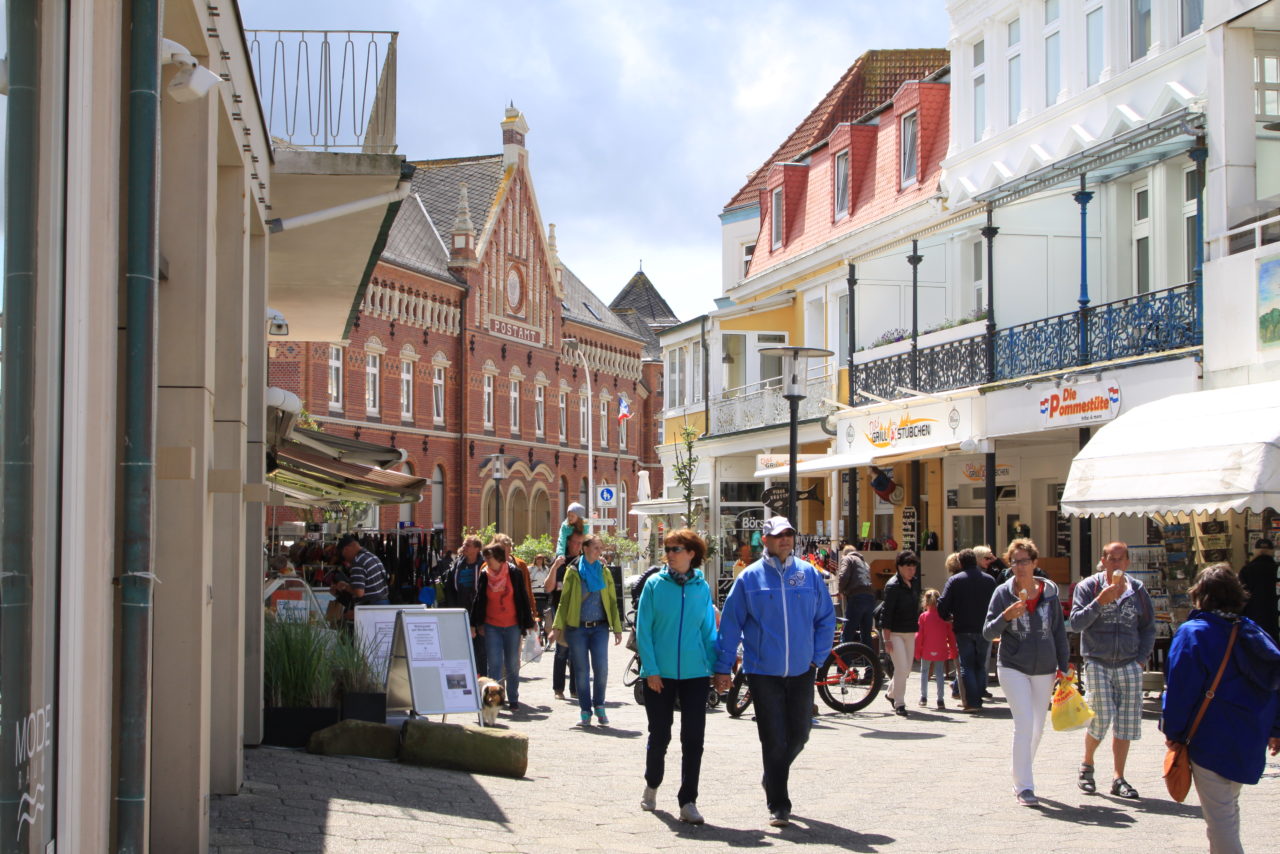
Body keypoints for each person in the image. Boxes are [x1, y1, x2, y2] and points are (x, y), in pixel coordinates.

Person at [713, 516, 836, 828]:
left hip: (802, 669)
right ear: (765, 540)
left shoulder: (809, 575)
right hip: (762, 670)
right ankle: (779, 803)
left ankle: (772, 775)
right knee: (773, 737)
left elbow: (825, 618)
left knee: (800, 734)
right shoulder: (750, 579)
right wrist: (723, 666)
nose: (785, 540)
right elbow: (730, 625)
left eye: (789, 535)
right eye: (779, 535)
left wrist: (817, 657)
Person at [1163, 564, 1280, 853]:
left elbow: (1180, 688)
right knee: (1226, 809)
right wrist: (1275, 728)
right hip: (1250, 735)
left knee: (1221, 820)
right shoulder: (1252, 632)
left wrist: (1174, 732)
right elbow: (1274, 682)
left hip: (1210, 737)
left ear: (1200, 595)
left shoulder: (1194, 633)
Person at [636, 529, 718, 825]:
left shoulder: (701, 588)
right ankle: (652, 784)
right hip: (661, 674)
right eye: (668, 548)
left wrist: (717, 667)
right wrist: (651, 669)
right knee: (660, 734)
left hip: (696, 673)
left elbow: (708, 631)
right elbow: (643, 629)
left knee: (694, 738)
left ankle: (688, 800)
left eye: (676, 548)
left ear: (692, 553)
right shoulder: (654, 585)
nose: (669, 553)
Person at [984, 538, 1071, 806]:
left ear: (1034, 563)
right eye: (1014, 562)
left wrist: (1065, 667)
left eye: (1024, 561)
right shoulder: (1002, 593)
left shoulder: (1049, 594)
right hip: (1012, 666)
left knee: (1037, 728)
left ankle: (1021, 770)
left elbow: (1058, 631)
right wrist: (1006, 617)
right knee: (1024, 724)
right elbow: (988, 632)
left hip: (1044, 667)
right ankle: (1024, 786)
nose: (1019, 567)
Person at [1069, 541, 1156, 799]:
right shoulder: (1088, 587)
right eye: (1111, 558)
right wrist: (1099, 601)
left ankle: (1119, 777)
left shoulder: (1137, 590)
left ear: (1127, 563)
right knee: (1101, 714)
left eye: (1121, 559)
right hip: (1097, 660)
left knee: (1127, 723)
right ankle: (1087, 764)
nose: (1116, 563)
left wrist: (1141, 660)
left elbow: (1148, 627)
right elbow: (1075, 623)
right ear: (1102, 561)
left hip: (1129, 662)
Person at [550, 533, 623, 726]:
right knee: (581, 671)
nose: (600, 552)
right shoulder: (573, 571)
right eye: (597, 548)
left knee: (602, 669)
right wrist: (557, 627)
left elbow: (612, 601)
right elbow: (564, 601)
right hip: (577, 629)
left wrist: (617, 628)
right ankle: (585, 710)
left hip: (599, 627)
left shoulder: (604, 571)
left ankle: (599, 704)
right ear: (586, 548)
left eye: (601, 548)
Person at [470, 541, 536, 712]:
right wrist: (474, 624)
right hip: (492, 625)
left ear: (499, 559)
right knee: (495, 664)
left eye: (489, 559)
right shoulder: (485, 574)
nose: (487, 562)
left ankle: (513, 697)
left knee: (512, 663)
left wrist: (529, 622)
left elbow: (522, 597)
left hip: (513, 625)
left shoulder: (514, 572)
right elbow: (479, 600)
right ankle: (496, 700)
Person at [938, 548, 997, 710]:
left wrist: (947, 616)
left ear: (961, 563)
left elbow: (942, 604)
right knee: (980, 664)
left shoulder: (955, 580)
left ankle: (972, 701)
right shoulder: (989, 580)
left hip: (963, 627)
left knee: (967, 665)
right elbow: (997, 604)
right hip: (984, 627)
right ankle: (977, 698)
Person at [879, 550, 921, 717]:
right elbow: (886, 614)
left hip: (910, 631)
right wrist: (886, 639)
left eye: (914, 567)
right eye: (908, 567)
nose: (912, 571)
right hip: (895, 632)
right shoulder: (892, 586)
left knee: (907, 669)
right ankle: (900, 703)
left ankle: (891, 693)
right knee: (901, 667)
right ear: (899, 567)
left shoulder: (915, 583)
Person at [546, 532, 584, 700]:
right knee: (561, 651)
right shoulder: (560, 562)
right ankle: (558, 689)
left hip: (579, 612)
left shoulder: (585, 563)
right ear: (568, 543)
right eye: (575, 543)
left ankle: (575, 689)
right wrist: (554, 567)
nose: (577, 546)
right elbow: (548, 588)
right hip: (559, 610)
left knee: (577, 651)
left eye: (580, 543)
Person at [443, 536, 486, 674]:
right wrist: (452, 607)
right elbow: (449, 586)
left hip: (478, 612)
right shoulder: (458, 564)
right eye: (464, 544)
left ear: (477, 548)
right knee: (461, 645)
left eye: (468, 545)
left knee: (480, 647)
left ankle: (481, 675)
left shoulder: (483, 565)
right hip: (460, 610)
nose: (464, 547)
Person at [917, 588, 957, 710]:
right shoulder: (944, 618)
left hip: (927, 649)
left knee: (924, 672)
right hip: (941, 649)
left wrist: (917, 651)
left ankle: (923, 697)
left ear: (926, 602)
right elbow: (951, 636)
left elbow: (919, 636)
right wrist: (954, 651)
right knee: (939, 674)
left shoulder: (923, 616)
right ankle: (940, 700)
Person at [1238, 538, 1278, 643]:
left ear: (1255, 551)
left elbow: (1241, 597)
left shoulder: (1247, 570)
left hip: (1253, 619)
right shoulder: (1276, 569)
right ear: (1272, 552)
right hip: (1274, 620)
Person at [838, 544, 875, 648]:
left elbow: (843, 575)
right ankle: (870, 662)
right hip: (870, 597)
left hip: (856, 597)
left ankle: (843, 663)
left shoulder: (847, 558)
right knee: (866, 635)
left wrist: (840, 590)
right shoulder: (865, 563)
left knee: (848, 633)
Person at [338, 534, 390, 606]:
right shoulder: (371, 556)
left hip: (371, 608)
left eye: (344, 556)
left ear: (347, 549)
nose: (346, 559)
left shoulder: (358, 562)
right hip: (383, 603)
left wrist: (345, 586)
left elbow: (359, 592)